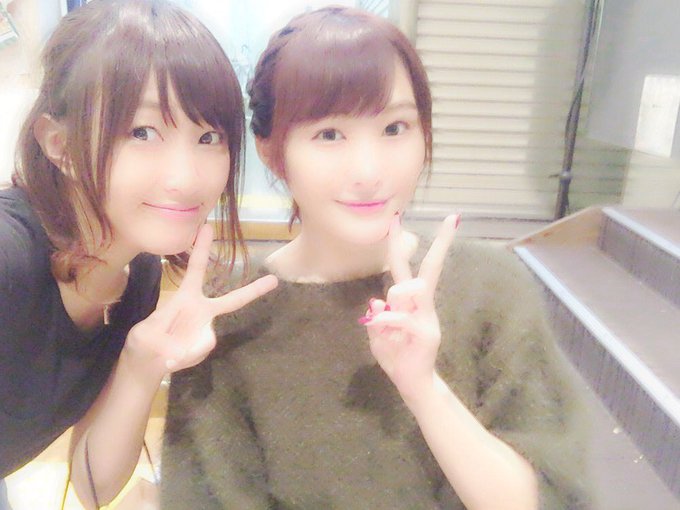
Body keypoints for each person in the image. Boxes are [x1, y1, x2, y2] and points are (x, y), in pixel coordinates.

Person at [162, 6, 592, 509]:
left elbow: (551, 496)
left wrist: (424, 389)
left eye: (394, 127)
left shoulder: (491, 288)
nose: (368, 172)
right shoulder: (231, 318)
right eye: (329, 134)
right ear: (272, 151)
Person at [0, 0, 277, 508]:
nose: (186, 178)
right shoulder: (9, 258)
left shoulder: (137, 274)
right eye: (142, 132)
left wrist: (140, 362)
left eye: (209, 136)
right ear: (59, 144)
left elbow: (93, 485)